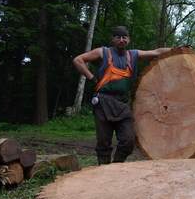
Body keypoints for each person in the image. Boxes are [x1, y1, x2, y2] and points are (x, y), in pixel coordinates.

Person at [73, 26, 172, 165]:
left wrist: (177, 49)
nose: (121, 40)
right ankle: (104, 169)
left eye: (124, 37)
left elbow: (156, 52)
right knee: (104, 142)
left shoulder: (133, 55)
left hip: (123, 104)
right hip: (103, 103)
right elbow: (78, 60)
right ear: (113, 39)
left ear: (128, 39)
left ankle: (116, 166)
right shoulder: (103, 52)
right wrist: (91, 77)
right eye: (118, 37)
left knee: (128, 140)